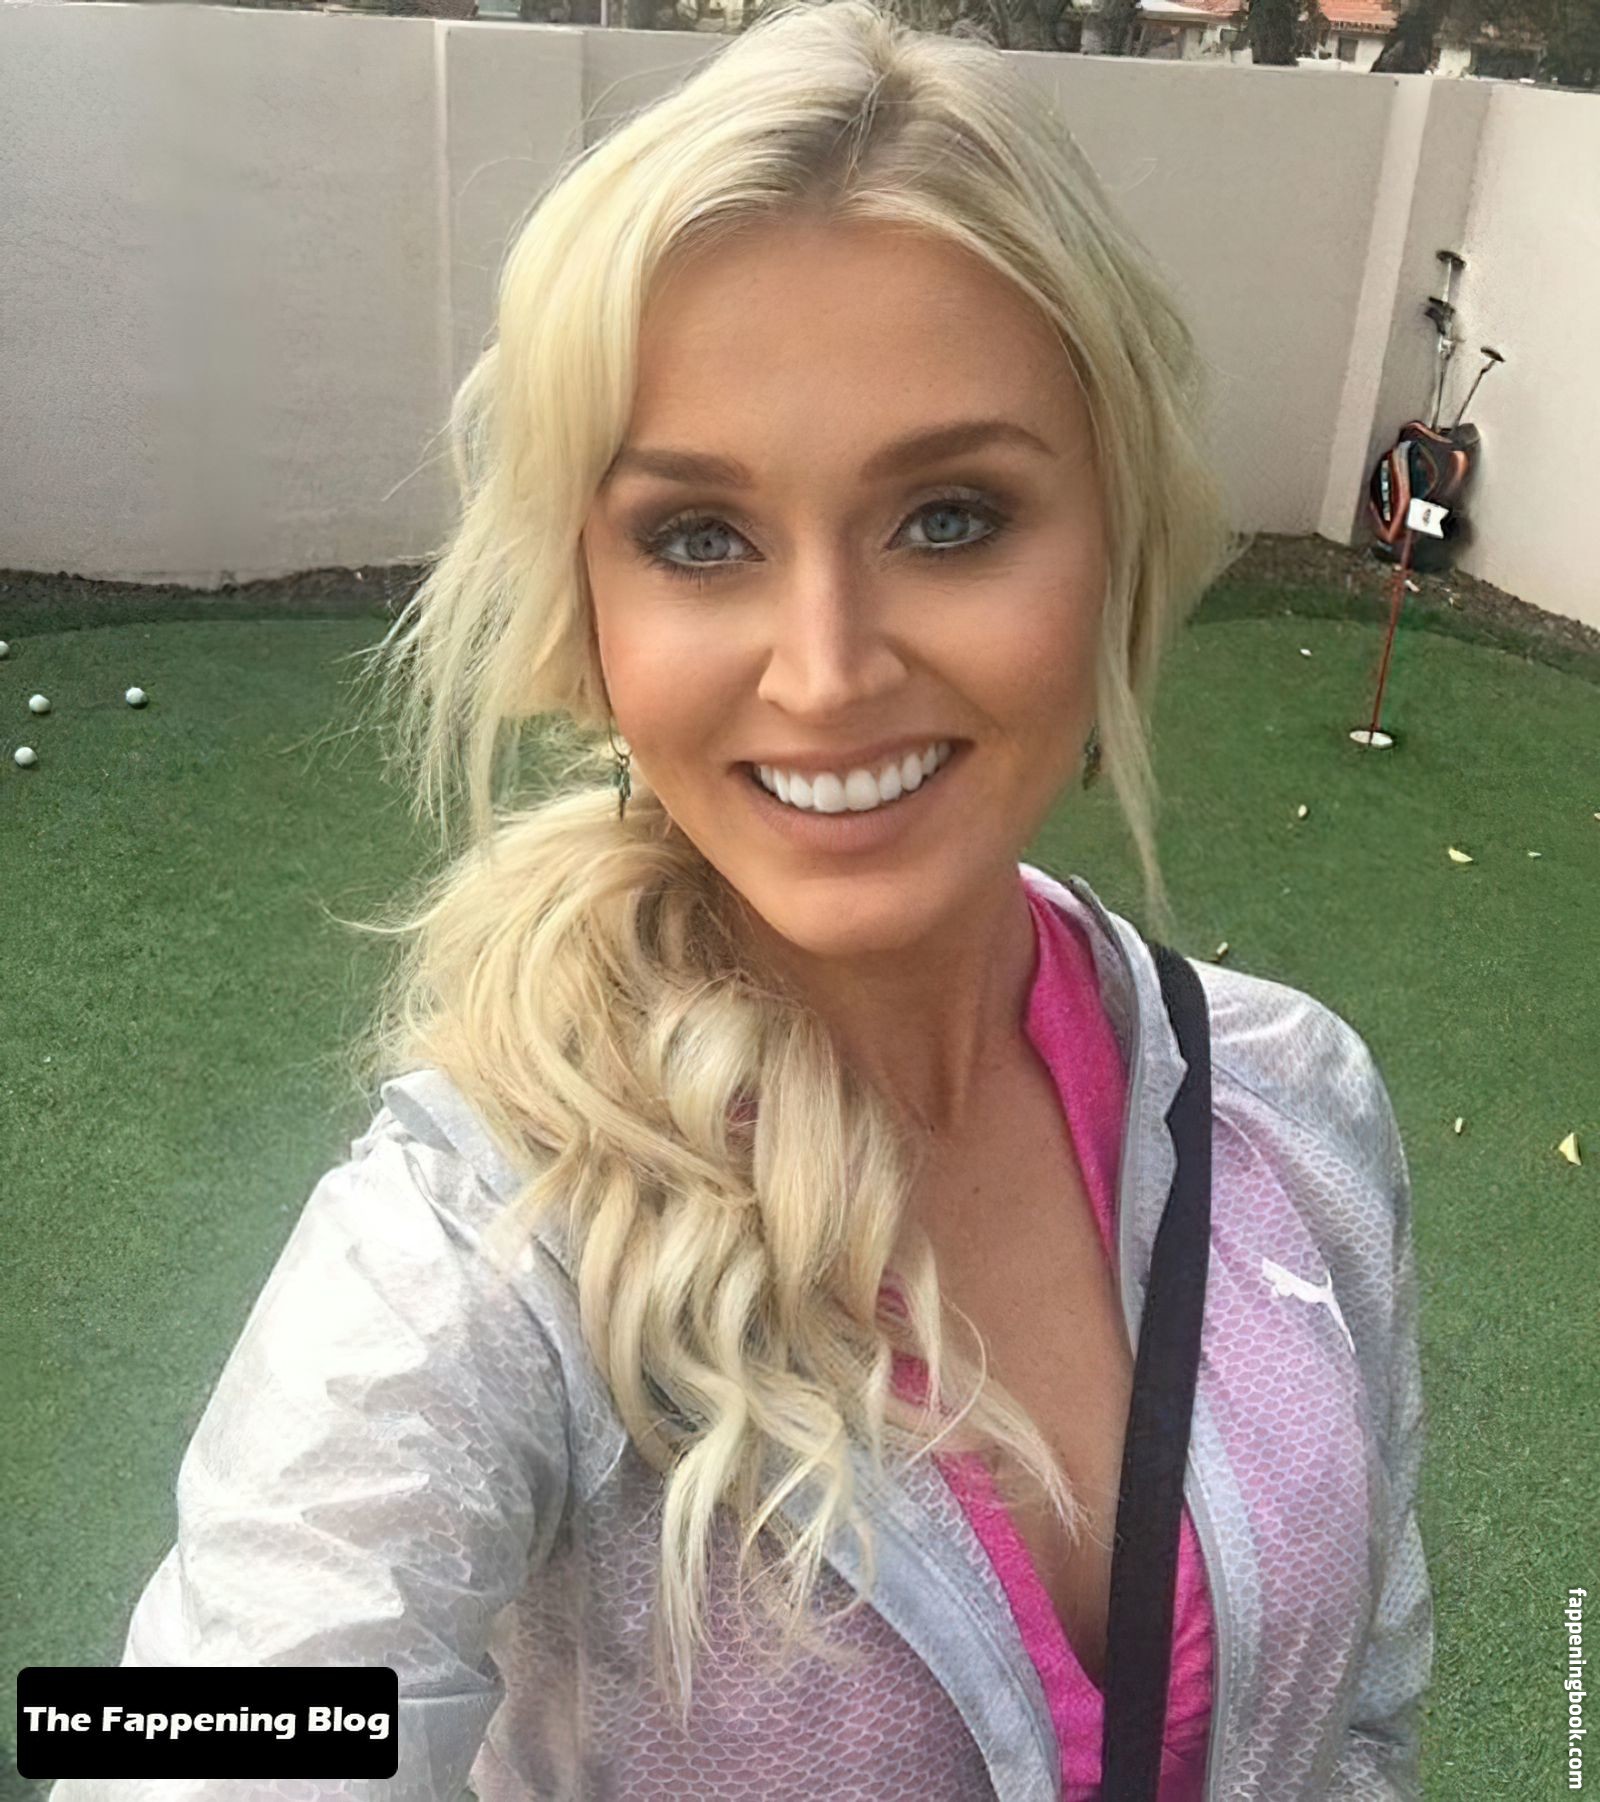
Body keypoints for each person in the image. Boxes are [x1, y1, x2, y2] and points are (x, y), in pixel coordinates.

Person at [49, 1, 1432, 1795]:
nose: (827, 668)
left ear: (1117, 541)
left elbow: (1366, 1716)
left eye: (950, 517)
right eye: (699, 537)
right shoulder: (476, 1235)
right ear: (589, 609)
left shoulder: (1296, 1105)